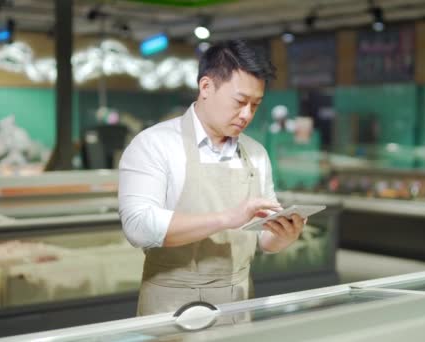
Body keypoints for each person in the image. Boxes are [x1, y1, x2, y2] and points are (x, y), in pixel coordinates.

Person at [118, 39, 305, 316]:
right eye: (240, 102)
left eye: (255, 105)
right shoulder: (154, 144)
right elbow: (138, 226)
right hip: (172, 308)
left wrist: (283, 236)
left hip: (241, 302)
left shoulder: (255, 153)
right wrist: (226, 219)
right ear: (206, 87)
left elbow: (264, 239)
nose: (247, 115)